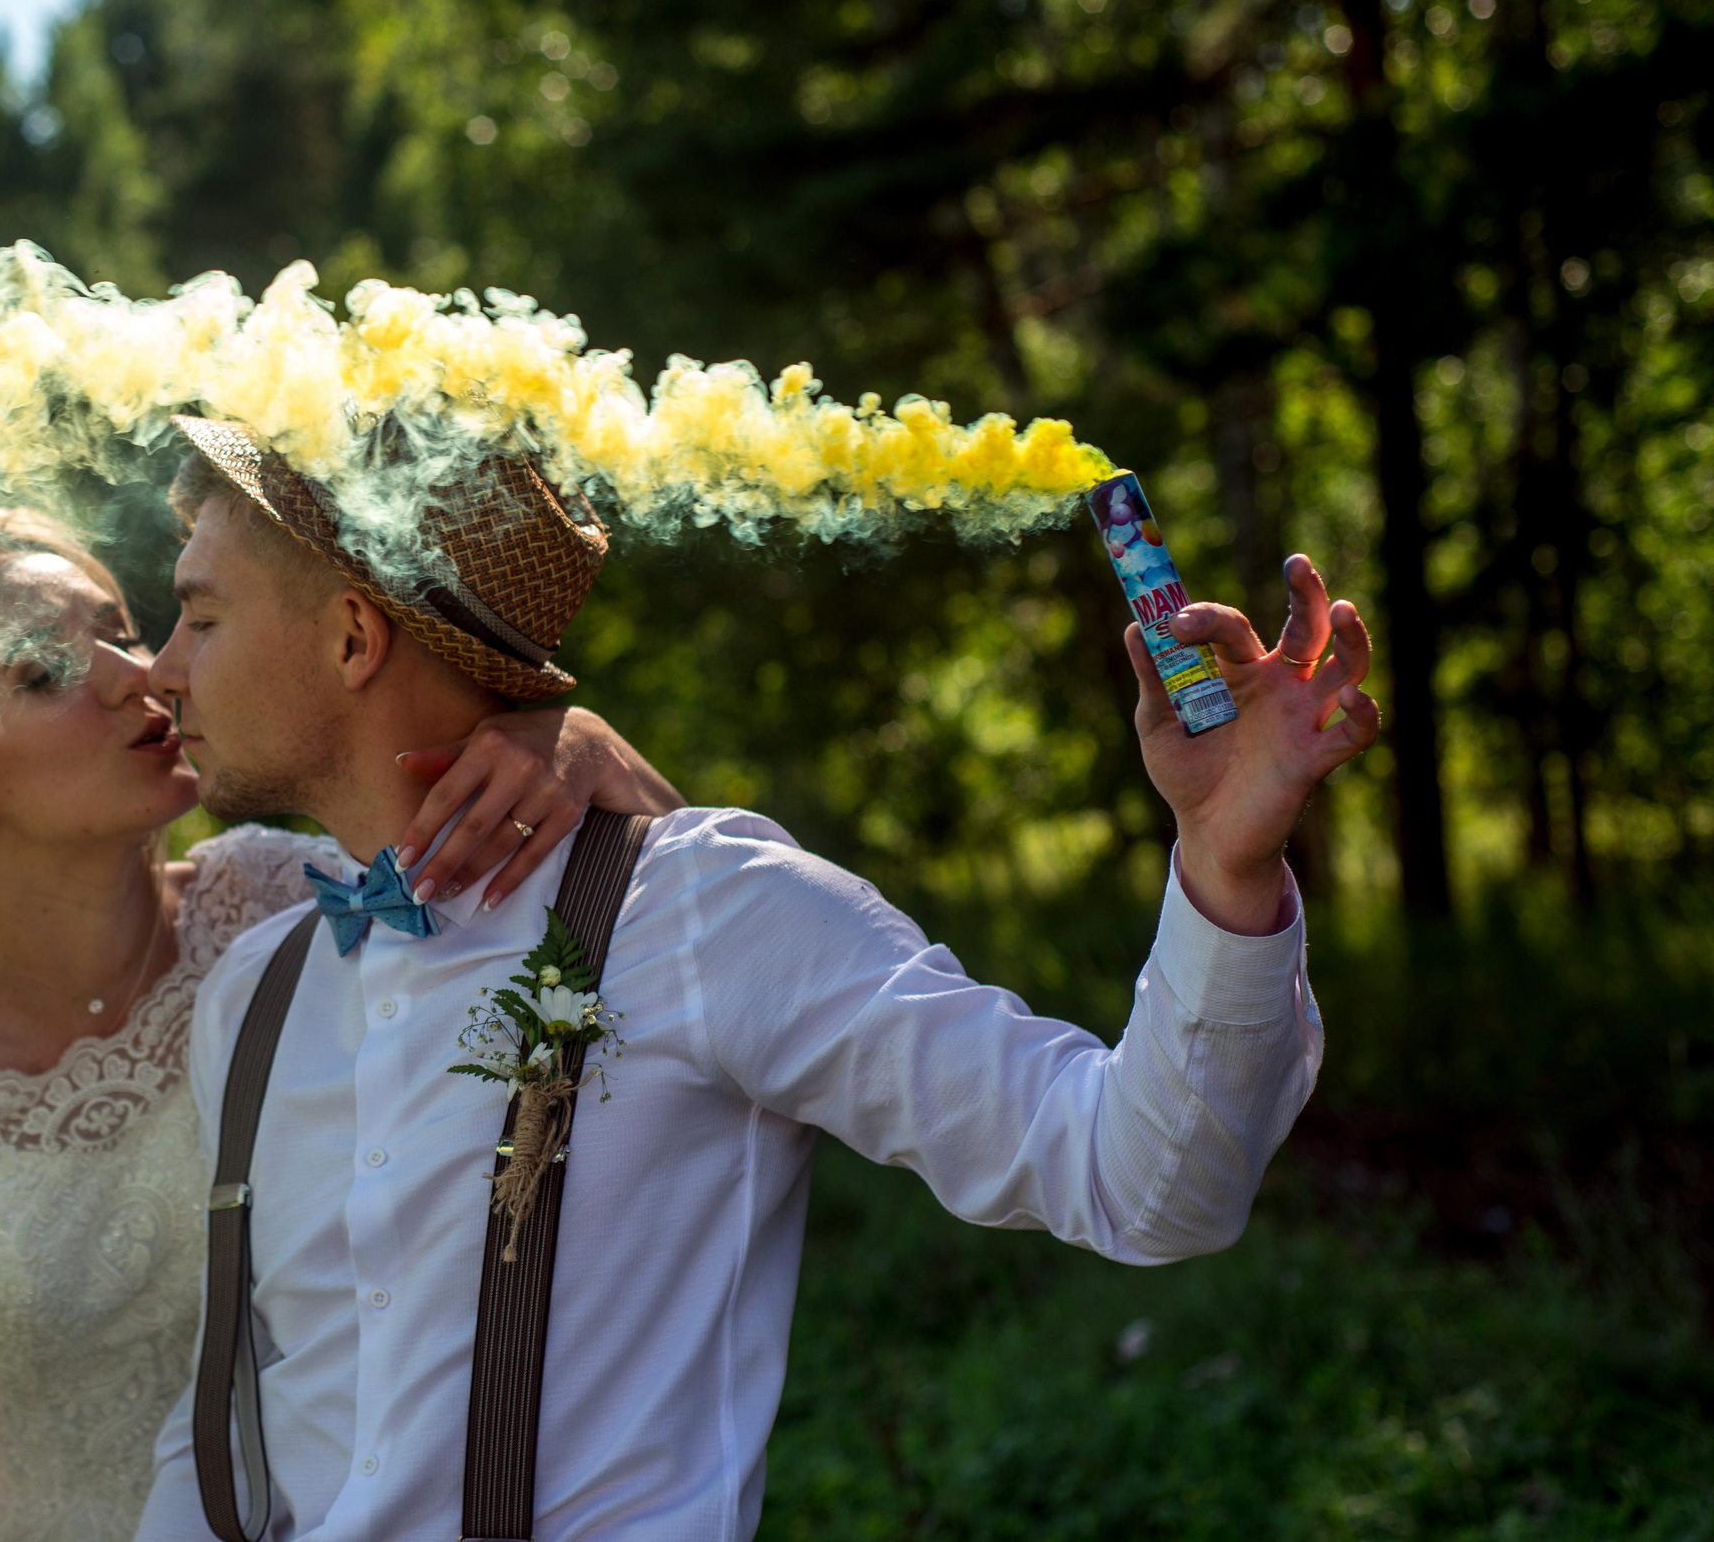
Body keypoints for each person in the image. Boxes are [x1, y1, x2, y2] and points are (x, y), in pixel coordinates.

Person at [130, 419, 1379, 1541]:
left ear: (353, 636)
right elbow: (224, 1434)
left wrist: (1224, 863)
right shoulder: (254, 995)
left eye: (202, 616)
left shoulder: (702, 910)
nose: (162, 666)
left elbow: (1142, 1182)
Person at [0, 506, 683, 1542]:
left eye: (121, 629)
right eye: (44, 672)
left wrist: (582, 744)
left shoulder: (293, 904)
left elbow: (660, 948)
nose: (139, 674)